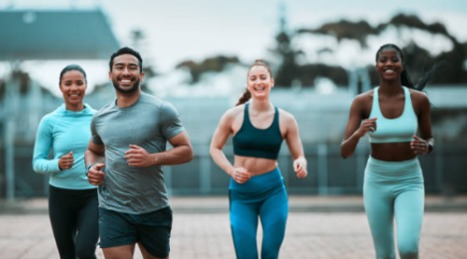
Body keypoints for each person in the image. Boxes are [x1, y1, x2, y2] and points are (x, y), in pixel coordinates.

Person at [85, 46, 193, 259]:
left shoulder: (161, 110)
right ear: (111, 74)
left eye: (132, 67)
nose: (126, 72)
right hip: (112, 209)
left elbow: (187, 151)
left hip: (153, 209)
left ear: (141, 75)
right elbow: (93, 150)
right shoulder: (100, 117)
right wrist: (91, 168)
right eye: (120, 67)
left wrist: (152, 158)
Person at [340, 43, 436, 259]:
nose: (389, 63)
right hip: (377, 180)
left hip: (409, 179)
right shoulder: (362, 102)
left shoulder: (419, 100)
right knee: (384, 255)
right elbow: (344, 151)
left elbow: (430, 138)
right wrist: (359, 133)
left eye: (394, 59)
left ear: (402, 65)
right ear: (377, 66)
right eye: (383, 60)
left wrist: (427, 146)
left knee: (408, 247)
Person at [209, 59, 308, 259]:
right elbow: (215, 148)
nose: (258, 82)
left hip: (273, 191)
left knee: (270, 253)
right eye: (253, 78)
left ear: (271, 82)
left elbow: (299, 155)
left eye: (263, 77)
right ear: (248, 84)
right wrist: (231, 170)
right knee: (246, 255)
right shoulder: (233, 115)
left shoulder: (286, 119)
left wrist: (301, 163)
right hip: (242, 194)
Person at [32, 64, 98, 259]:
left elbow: (108, 153)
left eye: (79, 83)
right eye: (68, 83)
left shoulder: (98, 118)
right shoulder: (49, 121)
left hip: (92, 196)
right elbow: (37, 162)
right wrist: (57, 164)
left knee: (85, 251)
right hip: (60, 197)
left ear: (86, 85)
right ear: (60, 87)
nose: (74, 88)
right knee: (67, 255)